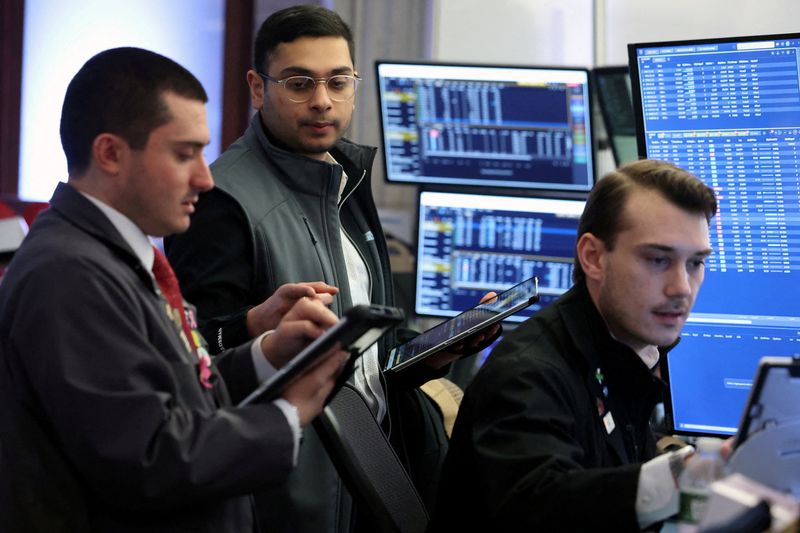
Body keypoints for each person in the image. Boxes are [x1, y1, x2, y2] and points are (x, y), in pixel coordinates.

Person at [165, 5, 496, 532]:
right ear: (258, 87)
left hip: (371, 465)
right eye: (299, 83)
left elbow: (359, 356)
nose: (322, 101)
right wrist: (254, 328)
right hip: (291, 490)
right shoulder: (221, 199)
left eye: (338, 81)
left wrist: (435, 349)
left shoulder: (345, 176)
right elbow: (196, 362)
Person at [0, 47, 349, 533]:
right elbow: (149, 457)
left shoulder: (114, 254)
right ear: (111, 153)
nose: (205, 179)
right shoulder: (68, 274)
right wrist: (287, 416)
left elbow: (178, 393)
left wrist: (269, 353)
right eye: (184, 154)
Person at [431, 159, 719, 532]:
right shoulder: (527, 374)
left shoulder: (624, 349)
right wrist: (686, 478)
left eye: (695, 263)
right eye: (658, 259)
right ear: (593, 257)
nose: (682, 287)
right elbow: (542, 507)